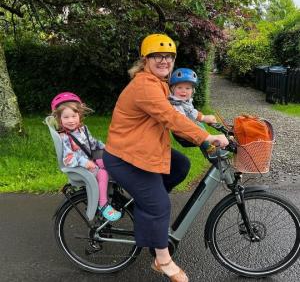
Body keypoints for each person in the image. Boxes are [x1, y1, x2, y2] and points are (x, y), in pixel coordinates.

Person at [103, 34, 228, 282]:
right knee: (160, 205)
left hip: (143, 151)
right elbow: (170, 117)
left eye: (169, 56)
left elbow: (177, 113)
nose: (165, 60)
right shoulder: (145, 86)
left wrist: (203, 124)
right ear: (145, 59)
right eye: (158, 56)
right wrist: (205, 137)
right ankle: (162, 261)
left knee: (181, 165)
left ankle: (147, 209)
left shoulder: (157, 82)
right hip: (125, 157)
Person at [51, 92, 121, 221]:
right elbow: (68, 158)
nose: (71, 120)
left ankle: (119, 191)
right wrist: (85, 162)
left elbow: (93, 143)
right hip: (81, 167)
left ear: (80, 115)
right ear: (59, 119)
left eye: (74, 115)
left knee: (113, 161)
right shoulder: (65, 137)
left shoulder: (83, 129)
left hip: (91, 159)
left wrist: (107, 148)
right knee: (102, 174)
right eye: (66, 117)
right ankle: (103, 204)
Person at [169, 67, 217, 153]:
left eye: (187, 88)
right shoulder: (176, 104)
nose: (184, 91)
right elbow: (180, 121)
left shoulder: (185, 101)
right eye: (180, 88)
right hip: (182, 133)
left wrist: (203, 117)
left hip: (189, 127)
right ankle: (210, 148)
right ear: (173, 89)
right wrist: (202, 118)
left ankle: (210, 148)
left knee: (200, 126)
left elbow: (191, 111)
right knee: (200, 131)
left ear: (192, 91)